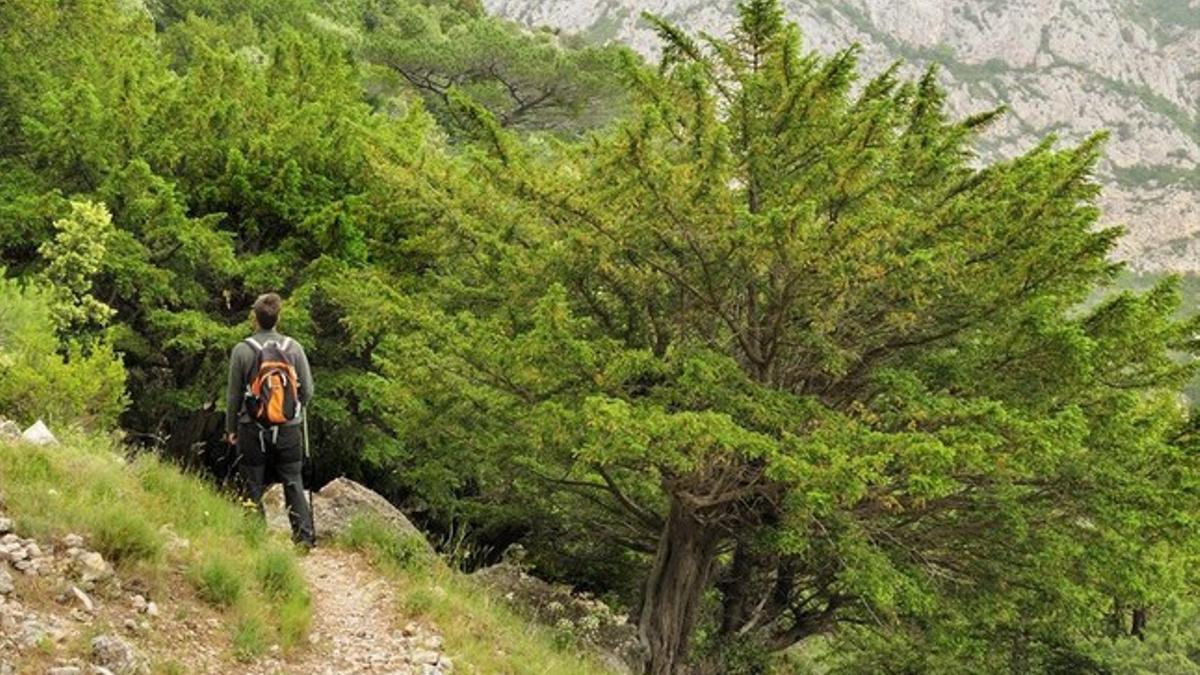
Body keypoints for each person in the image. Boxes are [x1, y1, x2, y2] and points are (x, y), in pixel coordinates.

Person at [225, 292, 316, 548]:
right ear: (278, 317)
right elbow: (307, 391)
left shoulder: (242, 350)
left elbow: (233, 395)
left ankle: (256, 540)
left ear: (255, 317)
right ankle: (303, 538)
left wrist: (230, 429)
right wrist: (292, 409)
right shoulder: (294, 348)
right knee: (293, 481)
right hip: (288, 429)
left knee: (251, 483)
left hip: (251, 429)